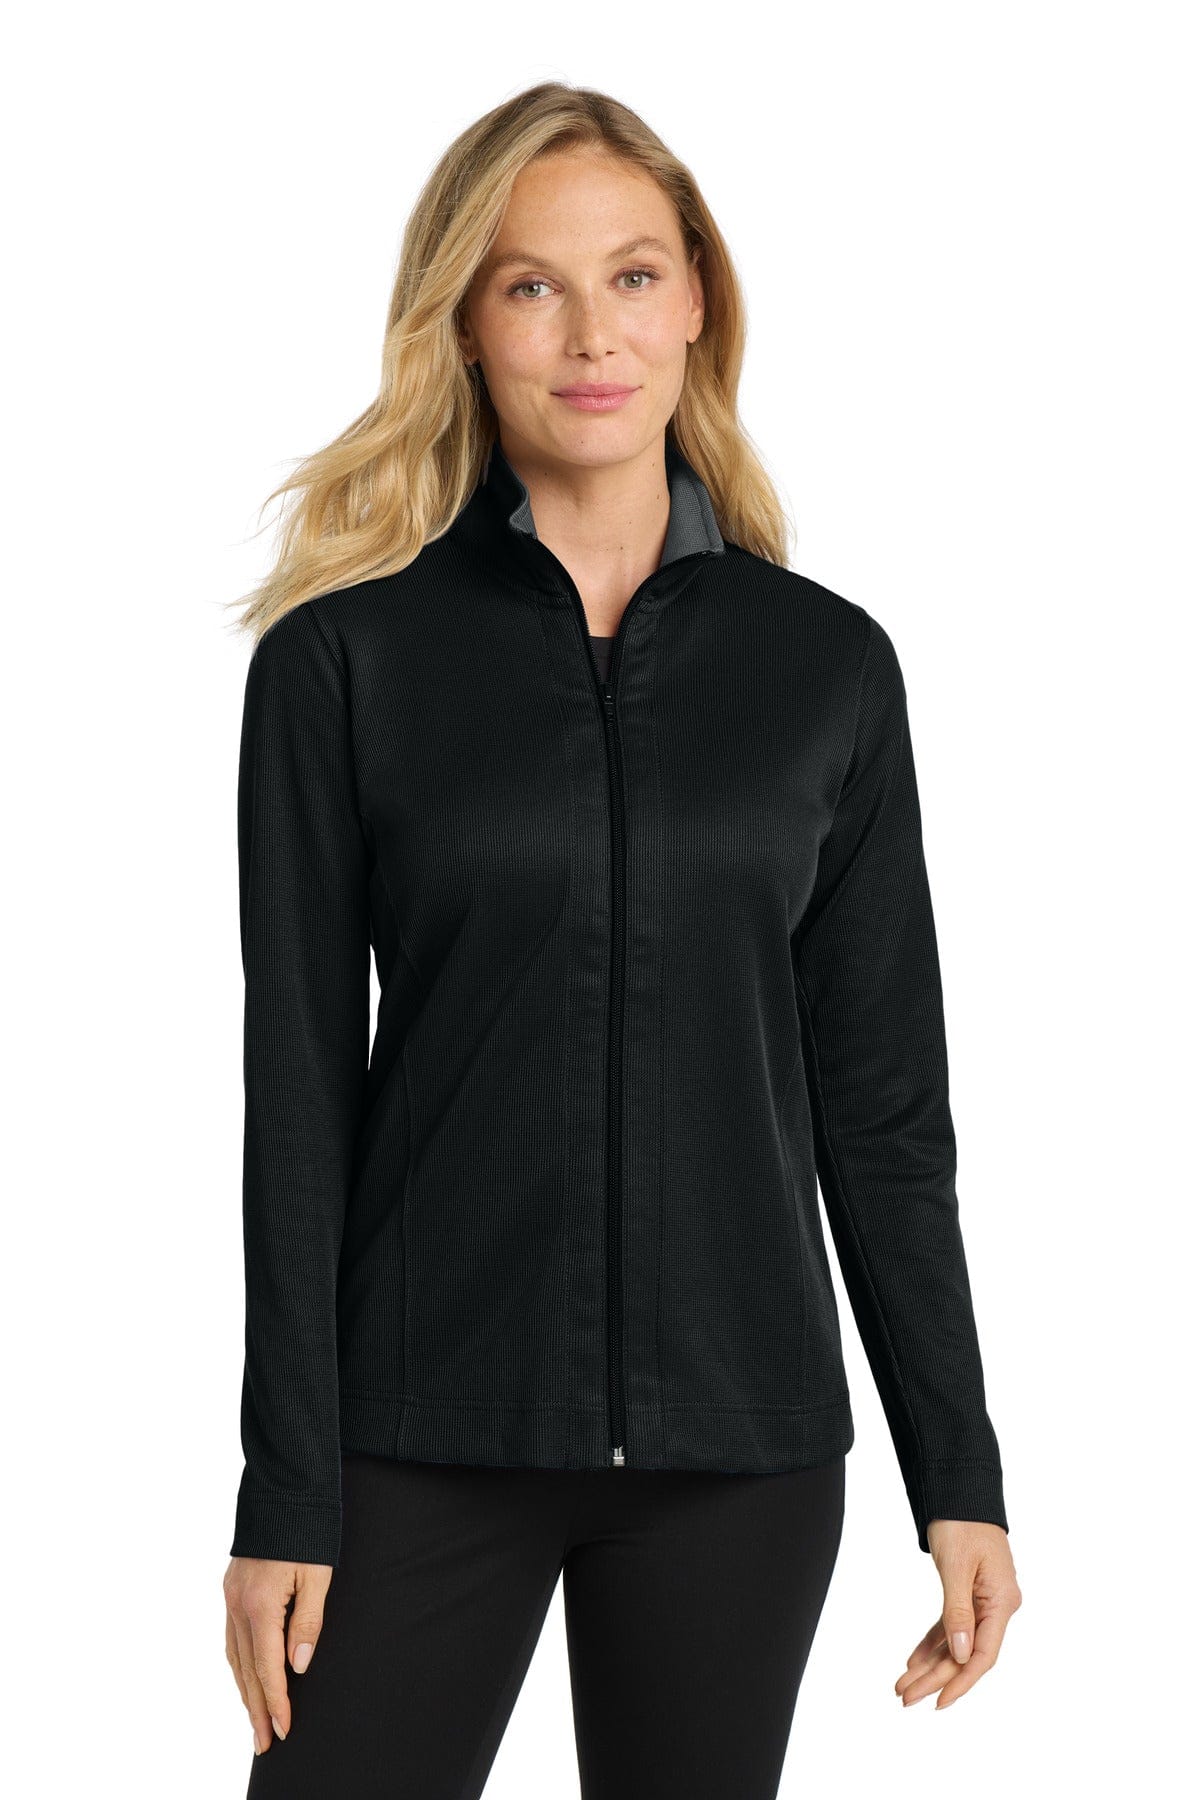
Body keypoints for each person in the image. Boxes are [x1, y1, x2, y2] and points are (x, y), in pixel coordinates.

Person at [221, 80, 1022, 1800]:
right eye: (533, 285)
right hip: (418, 1434)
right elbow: (298, 1100)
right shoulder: (342, 665)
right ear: (463, 323)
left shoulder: (824, 668)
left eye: (635, 277)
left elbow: (885, 1115)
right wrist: (285, 1486)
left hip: (741, 1452)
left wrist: (957, 1472)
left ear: (699, 300)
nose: (594, 335)